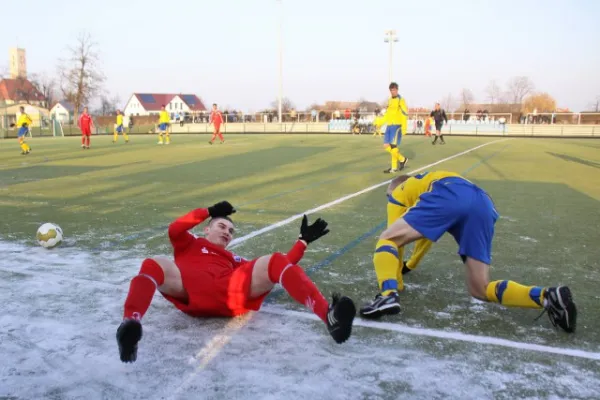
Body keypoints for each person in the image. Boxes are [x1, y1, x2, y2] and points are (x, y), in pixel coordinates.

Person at [116, 202, 357, 363]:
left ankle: (329, 316)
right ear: (207, 228)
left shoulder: (235, 259)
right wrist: (208, 210)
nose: (226, 232)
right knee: (153, 263)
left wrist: (302, 242)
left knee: (273, 261)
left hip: (229, 293)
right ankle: (130, 326)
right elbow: (175, 229)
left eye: (231, 231)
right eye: (222, 226)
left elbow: (283, 264)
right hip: (187, 291)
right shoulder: (189, 243)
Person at [359, 171, 577, 334]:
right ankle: (547, 297)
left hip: (448, 194)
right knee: (480, 289)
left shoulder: (399, 191)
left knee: (386, 238)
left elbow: (395, 240)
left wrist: (396, 281)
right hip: (483, 202)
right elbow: (424, 238)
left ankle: (387, 296)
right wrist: (411, 265)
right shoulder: (426, 183)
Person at [382, 82, 409, 174]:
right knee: (386, 146)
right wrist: (381, 122)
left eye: (394, 90)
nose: (392, 92)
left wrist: (404, 127)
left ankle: (394, 168)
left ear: (397, 90)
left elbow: (405, 113)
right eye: (391, 90)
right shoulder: (389, 100)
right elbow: (387, 113)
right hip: (389, 125)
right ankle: (402, 159)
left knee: (393, 147)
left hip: (396, 125)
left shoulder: (401, 100)